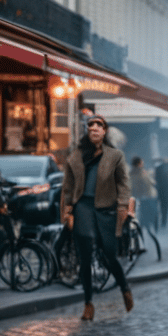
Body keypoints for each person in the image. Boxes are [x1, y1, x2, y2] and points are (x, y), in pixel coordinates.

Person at [60, 115, 133, 320]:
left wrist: (123, 207)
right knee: (85, 256)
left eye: (98, 126)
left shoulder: (114, 156)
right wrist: (67, 212)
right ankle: (88, 304)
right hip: (82, 206)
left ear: (104, 131)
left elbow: (123, 184)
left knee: (109, 255)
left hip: (105, 209)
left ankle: (124, 288)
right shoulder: (77, 156)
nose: (94, 129)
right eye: (91, 126)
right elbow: (68, 187)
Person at [129, 156, 158, 231]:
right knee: (146, 217)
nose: (143, 164)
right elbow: (150, 183)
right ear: (138, 164)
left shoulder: (134, 173)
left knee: (142, 217)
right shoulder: (140, 173)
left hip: (142, 197)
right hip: (145, 198)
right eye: (142, 163)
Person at [154, 157, 168, 231]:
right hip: (165, 191)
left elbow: (155, 179)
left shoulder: (158, 168)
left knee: (159, 208)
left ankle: (159, 223)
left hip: (160, 191)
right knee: (164, 208)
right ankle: (163, 223)